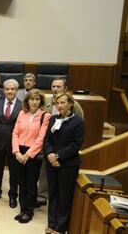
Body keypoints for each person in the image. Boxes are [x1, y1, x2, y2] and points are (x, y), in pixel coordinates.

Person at [37, 77, 84, 207]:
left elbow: (79, 126)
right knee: (44, 171)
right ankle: (42, 196)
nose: (55, 89)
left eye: (58, 87)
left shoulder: (75, 106)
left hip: (65, 148)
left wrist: (57, 155)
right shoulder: (46, 101)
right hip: (48, 143)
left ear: (65, 88)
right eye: (53, 86)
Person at [44, 92, 85, 234]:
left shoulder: (78, 121)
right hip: (51, 163)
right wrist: (49, 154)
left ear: (71, 104)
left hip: (68, 165)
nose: (59, 106)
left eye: (63, 102)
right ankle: (51, 223)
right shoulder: (53, 119)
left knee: (64, 196)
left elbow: (76, 145)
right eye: (57, 103)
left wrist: (57, 156)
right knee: (53, 193)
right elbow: (47, 139)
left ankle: (60, 228)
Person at [12, 89, 51, 223]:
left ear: (41, 101)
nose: (34, 102)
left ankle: (29, 211)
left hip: (33, 153)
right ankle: (23, 209)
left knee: (30, 183)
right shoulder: (22, 113)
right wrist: (17, 152)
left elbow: (41, 139)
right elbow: (15, 134)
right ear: (27, 101)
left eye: (37, 99)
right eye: (32, 99)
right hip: (19, 151)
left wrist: (27, 155)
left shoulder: (45, 116)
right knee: (21, 182)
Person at [0, 79, 22, 208]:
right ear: (4, 90)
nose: (10, 91)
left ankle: (13, 196)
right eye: (7, 89)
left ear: (16, 90)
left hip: (14, 144)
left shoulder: (22, 105)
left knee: (14, 172)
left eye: (12, 89)